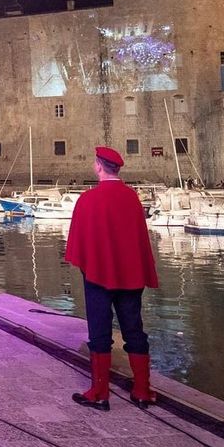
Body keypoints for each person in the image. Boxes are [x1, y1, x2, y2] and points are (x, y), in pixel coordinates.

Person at [65, 146, 159, 412]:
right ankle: (142, 390)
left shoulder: (88, 199)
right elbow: (140, 240)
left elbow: (78, 242)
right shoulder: (132, 198)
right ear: (117, 169)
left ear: (98, 166)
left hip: (97, 275)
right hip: (130, 277)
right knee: (134, 330)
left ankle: (100, 392)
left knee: (100, 333)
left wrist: (89, 267)